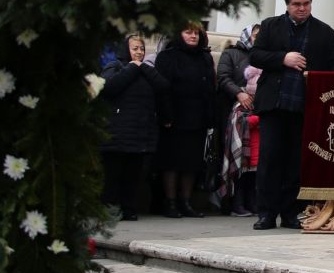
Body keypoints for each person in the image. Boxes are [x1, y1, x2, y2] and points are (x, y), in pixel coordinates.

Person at [248, 0, 334, 230]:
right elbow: (256, 55)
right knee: (270, 160)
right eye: (296, 4)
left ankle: (292, 213)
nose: (302, 8)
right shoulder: (271, 26)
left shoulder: (324, 32)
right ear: (288, 5)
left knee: (296, 162)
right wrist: (283, 58)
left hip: (305, 106)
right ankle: (266, 214)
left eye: (306, 4)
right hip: (274, 104)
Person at [99, 34, 168, 221]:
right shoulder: (116, 67)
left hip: (140, 133)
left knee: (133, 175)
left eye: (141, 49)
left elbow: (162, 86)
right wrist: (132, 68)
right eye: (135, 48)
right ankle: (110, 209)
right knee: (113, 175)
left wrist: (143, 67)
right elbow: (109, 87)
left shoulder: (147, 70)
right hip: (117, 132)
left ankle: (129, 208)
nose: (139, 52)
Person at [154, 23, 217, 218]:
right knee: (172, 161)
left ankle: (186, 202)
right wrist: (166, 115)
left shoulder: (204, 58)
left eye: (196, 33)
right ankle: (170, 202)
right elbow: (162, 89)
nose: (193, 36)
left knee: (192, 162)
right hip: (174, 117)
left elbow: (210, 89)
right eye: (188, 32)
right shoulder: (167, 57)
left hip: (197, 117)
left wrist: (210, 117)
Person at [217, 23, 260, 215]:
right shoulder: (231, 54)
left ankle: (251, 200)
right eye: (256, 35)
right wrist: (239, 94)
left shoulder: (264, 55)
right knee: (239, 158)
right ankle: (235, 201)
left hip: (258, 113)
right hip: (236, 113)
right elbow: (223, 77)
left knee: (255, 161)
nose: (258, 38)